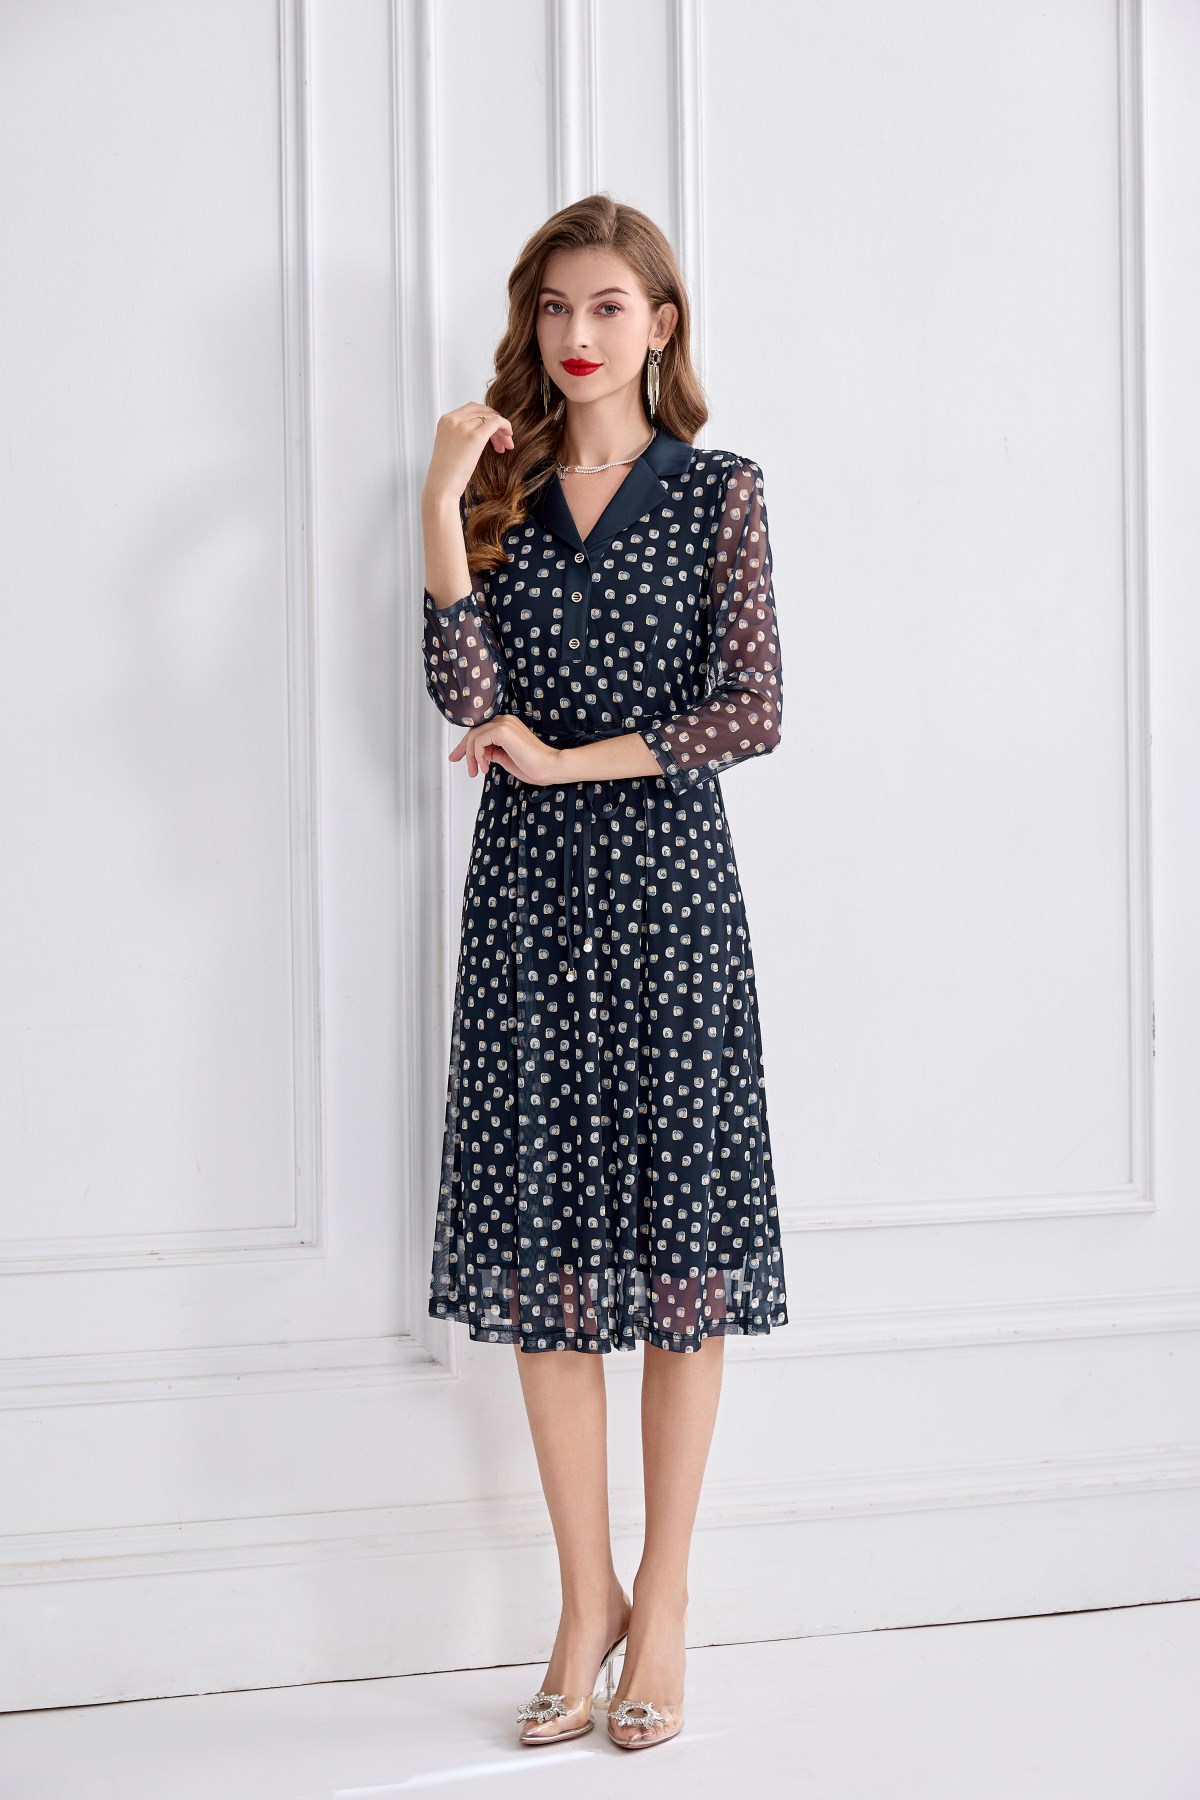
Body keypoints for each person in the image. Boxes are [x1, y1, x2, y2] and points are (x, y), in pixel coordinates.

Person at [419, 193, 788, 1751]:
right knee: (550, 1269)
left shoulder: (718, 493)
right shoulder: (496, 494)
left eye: (609, 307)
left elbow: (753, 708)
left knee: (680, 1259)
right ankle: (585, 1602)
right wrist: (438, 503)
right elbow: (466, 696)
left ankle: (670, 1598)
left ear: (661, 325)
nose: (577, 335)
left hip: (671, 904)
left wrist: (571, 762)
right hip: (528, 913)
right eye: (555, 308)